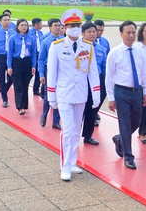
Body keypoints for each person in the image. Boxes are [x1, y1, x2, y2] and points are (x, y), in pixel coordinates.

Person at [47, 9, 100, 181]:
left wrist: (96, 94)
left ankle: (72, 161)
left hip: (81, 93)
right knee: (68, 130)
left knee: (77, 130)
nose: (75, 28)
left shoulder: (88, 46)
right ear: (65, 27)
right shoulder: (56, 47)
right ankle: (65, 166)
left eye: (78, 25)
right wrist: (51, 96)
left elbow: (93, 72)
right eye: (72, 26)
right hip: (64, 93)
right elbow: (51, 72)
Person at [107, 20, 146, 170]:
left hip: (137, 91)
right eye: (128, 32)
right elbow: (109, 77)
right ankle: (128, 156)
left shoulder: (140, 51)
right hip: (121, 92)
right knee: (124, 123)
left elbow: (143, 73)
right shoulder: (115, 53)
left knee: (136, 122)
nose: (131, 35)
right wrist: (111, 98)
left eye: (133, 32)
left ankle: (120, 139)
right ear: (121, 34)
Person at [81, 22, 106, 145]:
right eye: (89, 32)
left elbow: (104, 66)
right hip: (82, 81)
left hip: (97, 82)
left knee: (92, 110)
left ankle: (88, 135)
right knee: (79, 110)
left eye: (93, 31)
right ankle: (74, 135)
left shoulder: (101, 48)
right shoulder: (79, 47)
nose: (92, 34)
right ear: (83, 33)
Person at [7, 19, 37, 115]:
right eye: (22, 25)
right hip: (16, 62)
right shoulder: (13, 38)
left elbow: (33, 53)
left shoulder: (31, 38)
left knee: (25, 85)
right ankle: (19, 106)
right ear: (18, 27)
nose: (24, 27)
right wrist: (9, 66)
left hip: (27, 62)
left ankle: (24, 105)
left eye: (25, 25)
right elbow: (10, 53)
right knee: (18, 85)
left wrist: (33, 65)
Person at [38, 18, 63, 129]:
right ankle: (44, 115)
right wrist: (42, 74)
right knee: (49, 95)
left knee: (60, 96)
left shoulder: (64, 40)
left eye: (59, 25)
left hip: (62, 71)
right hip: (50, 71)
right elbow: (41, 59)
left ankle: (56, 121)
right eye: (55, 25)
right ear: (50, 27)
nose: (58, 28)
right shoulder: (46, 41)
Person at [0, 14, 14, 108]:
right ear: (0, 22)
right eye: (4, 20)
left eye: (8, 20)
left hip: (11, 57)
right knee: (1, 77)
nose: (7, 22)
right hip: (0, 57)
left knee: (12, 77)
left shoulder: (13, 33)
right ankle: (4, 99)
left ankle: (3, 89)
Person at [94, 19, 110, 124]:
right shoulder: (88, 42)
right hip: (91, 75)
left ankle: (95, 111)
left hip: (102, 74)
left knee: (102, 94)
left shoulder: (105, 42)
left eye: (102, 30)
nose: (100, 32)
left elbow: (108, 58)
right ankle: (92, 115)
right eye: (98, 30)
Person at [29, 18, 44, 95]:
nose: (41, 25)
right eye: (40, 24)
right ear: (36, 24)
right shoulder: (29, 33)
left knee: (38, 72)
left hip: (39, 55)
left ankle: (36, 89)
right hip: (32, 55)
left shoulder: (41, 33)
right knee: (30, 73)